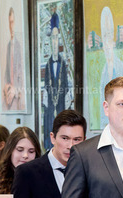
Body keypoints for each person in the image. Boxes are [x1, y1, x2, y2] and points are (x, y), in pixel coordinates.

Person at [43, 13, 70, 151]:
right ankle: (48, 146)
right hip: (50, 101)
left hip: (60, 101)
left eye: (56, 38)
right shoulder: (48, 64)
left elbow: (65, 83)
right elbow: (46, 84)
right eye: (53, 38)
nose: (55, 41)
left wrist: (66, 95)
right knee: (49, 121)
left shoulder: (62, 63)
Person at [98, 6, 123, 129]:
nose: (107, 41)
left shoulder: (120, 66)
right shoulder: (102, 70)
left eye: (109, 35)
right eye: (105, 36)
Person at [2, 7, 25, 111]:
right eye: (9, 23)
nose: (11, 26)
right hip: (10, 96)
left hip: (18, 96)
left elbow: (23, 75)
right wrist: (7, 87)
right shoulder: (8, 46)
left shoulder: (20, 46)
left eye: (12, 22)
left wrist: (15, 89)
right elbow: (6, 74)